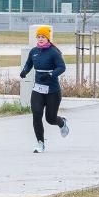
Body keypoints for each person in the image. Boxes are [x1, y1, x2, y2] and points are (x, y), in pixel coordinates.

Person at [19, 25, 69, 153]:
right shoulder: (34, 51)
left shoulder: (54, 52)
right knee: (36, 115)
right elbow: (29, 63)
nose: (40, 39)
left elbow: (62, 67)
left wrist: (51, 74)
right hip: (38, 90)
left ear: (48, 38)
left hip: (52, 91)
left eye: (43, 37)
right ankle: (40, 143)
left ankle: (62, 122)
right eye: (39, 37)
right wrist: (24, 71)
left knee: (50, 119)